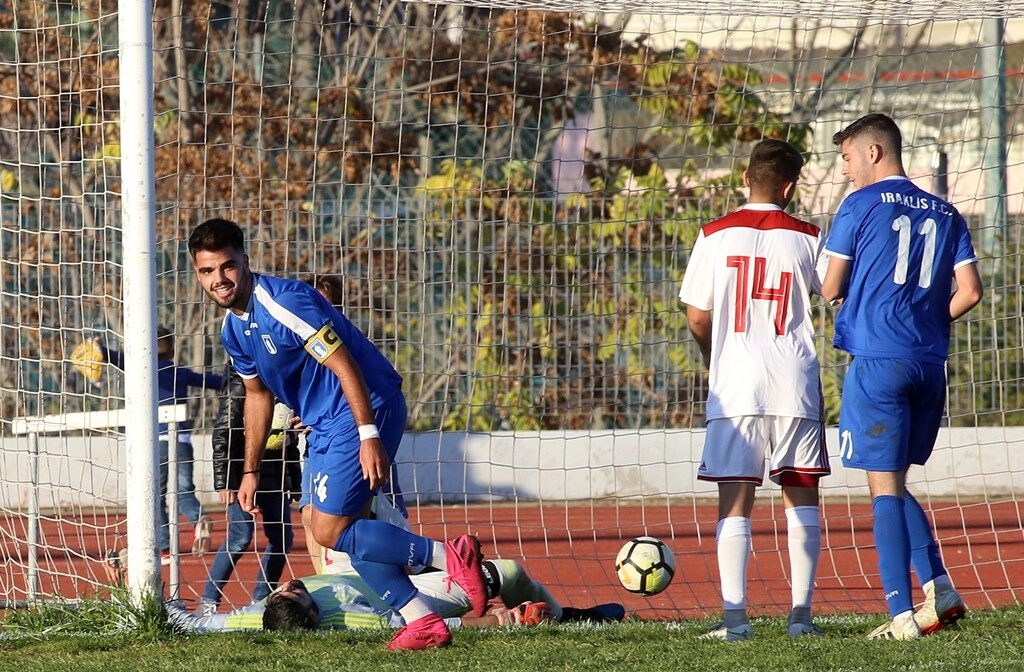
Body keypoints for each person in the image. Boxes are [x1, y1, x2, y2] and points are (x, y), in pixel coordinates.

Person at [187, 218, 488, 651]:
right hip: (324, 423)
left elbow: (345, 364)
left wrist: (369, 434)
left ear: (245, 261)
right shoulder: (233, 328)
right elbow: (256, 396)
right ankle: (421, 620)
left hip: (364, 406)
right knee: (326, 524)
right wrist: (249, 470)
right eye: (207, 271)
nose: (219, 279)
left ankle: (447, 557)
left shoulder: (284, 303)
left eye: (227, 266)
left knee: (330, 529)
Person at [820, 113, 983, 640]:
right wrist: (926, 322)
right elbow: (971, 292)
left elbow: (830, 287)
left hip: (878, 363)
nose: (844, 170)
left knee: (882, 488)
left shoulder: (859, 204)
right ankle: (939, 585)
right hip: (928, 364)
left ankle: (898, 616)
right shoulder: (947, 210)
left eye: (846, 158)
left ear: (872, 152)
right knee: (894, 479)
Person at [678, 139, 830, 641]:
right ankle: (801, 619)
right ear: (789, 187)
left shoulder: (714, 234)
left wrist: (711, 356)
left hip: (736, 382)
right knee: (801, 494)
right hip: (794, 381)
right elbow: (833, 293)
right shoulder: (809, 235)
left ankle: (735, 620)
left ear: (745, 178)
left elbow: (698, 314)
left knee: (735, 498)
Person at [166, 558, 624, 633]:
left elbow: (194, 624)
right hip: (403, 592)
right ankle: (569, 617)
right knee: (505, 572)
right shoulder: (354, 620)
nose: (289, 585)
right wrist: (500, 621)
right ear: (315, 614)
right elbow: (424, 625)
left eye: (285, 591)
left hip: (348, 564)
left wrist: (150, 602)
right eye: (301, 595)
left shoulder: (255, 618)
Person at [298, 273, 408, 575]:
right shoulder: (292, 344)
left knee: (377, 515)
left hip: (362, 438)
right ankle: (331, 585)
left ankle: (424, 568)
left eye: (327, 305)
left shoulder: (348, 345)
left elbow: (370, 386)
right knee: (311, 516)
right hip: (317, 444)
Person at [96, 328, 223, 564]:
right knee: (185, 490)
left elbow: (117, 358)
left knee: (158, 496)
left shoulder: (143, 370)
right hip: (183, 440)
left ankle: (164, 549)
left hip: (158, 443)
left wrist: (99, 349)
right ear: (172, 349)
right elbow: (216, 382)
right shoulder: (180, 373)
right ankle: (198, 520)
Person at [197, 365, 304, 615]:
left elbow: (290, 441)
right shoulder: (239, 381)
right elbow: (223, 432)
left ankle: (261, 599)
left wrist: (294, 480)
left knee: (282, 540)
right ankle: (208, 600)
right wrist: (225, 481)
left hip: (276, 475)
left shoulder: (288, 381)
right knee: (240, 537)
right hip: (242, 472)